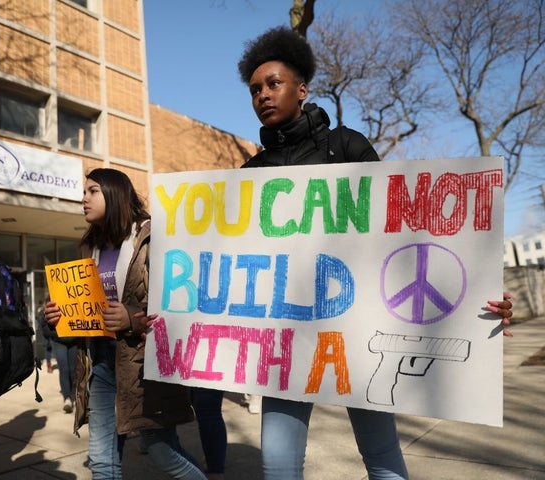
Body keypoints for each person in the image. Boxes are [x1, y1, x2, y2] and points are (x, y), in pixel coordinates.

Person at [236, 26, 515, 480]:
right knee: (277, 468)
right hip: (287, 337)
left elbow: (406, 236)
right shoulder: (249, 173)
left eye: (274, 84)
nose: (263, 95)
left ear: (302, 89)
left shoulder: (346, 147)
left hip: (356, 333)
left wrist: (481, 299)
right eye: (255, 90)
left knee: (382, 460)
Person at [44, 168, 205, 479]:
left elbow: (180, 303)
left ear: (114, 193)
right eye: (84, 192)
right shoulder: (90, 244)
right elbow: (89, 305)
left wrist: (131, 318)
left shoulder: (151, 237)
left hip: (143, 363)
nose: (84, 199)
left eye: (92, 191)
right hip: (100, 361)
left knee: (163, 451)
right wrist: (61, 315)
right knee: (103, 460)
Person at [37, 298, 77, 412]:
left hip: (74, 339)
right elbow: (44, 325)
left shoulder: (74, 297)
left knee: (73, 370)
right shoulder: (53, 298)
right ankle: (67, 398)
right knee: (64, 369)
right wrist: (54, 334)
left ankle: (73, 394)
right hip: (58, 341)